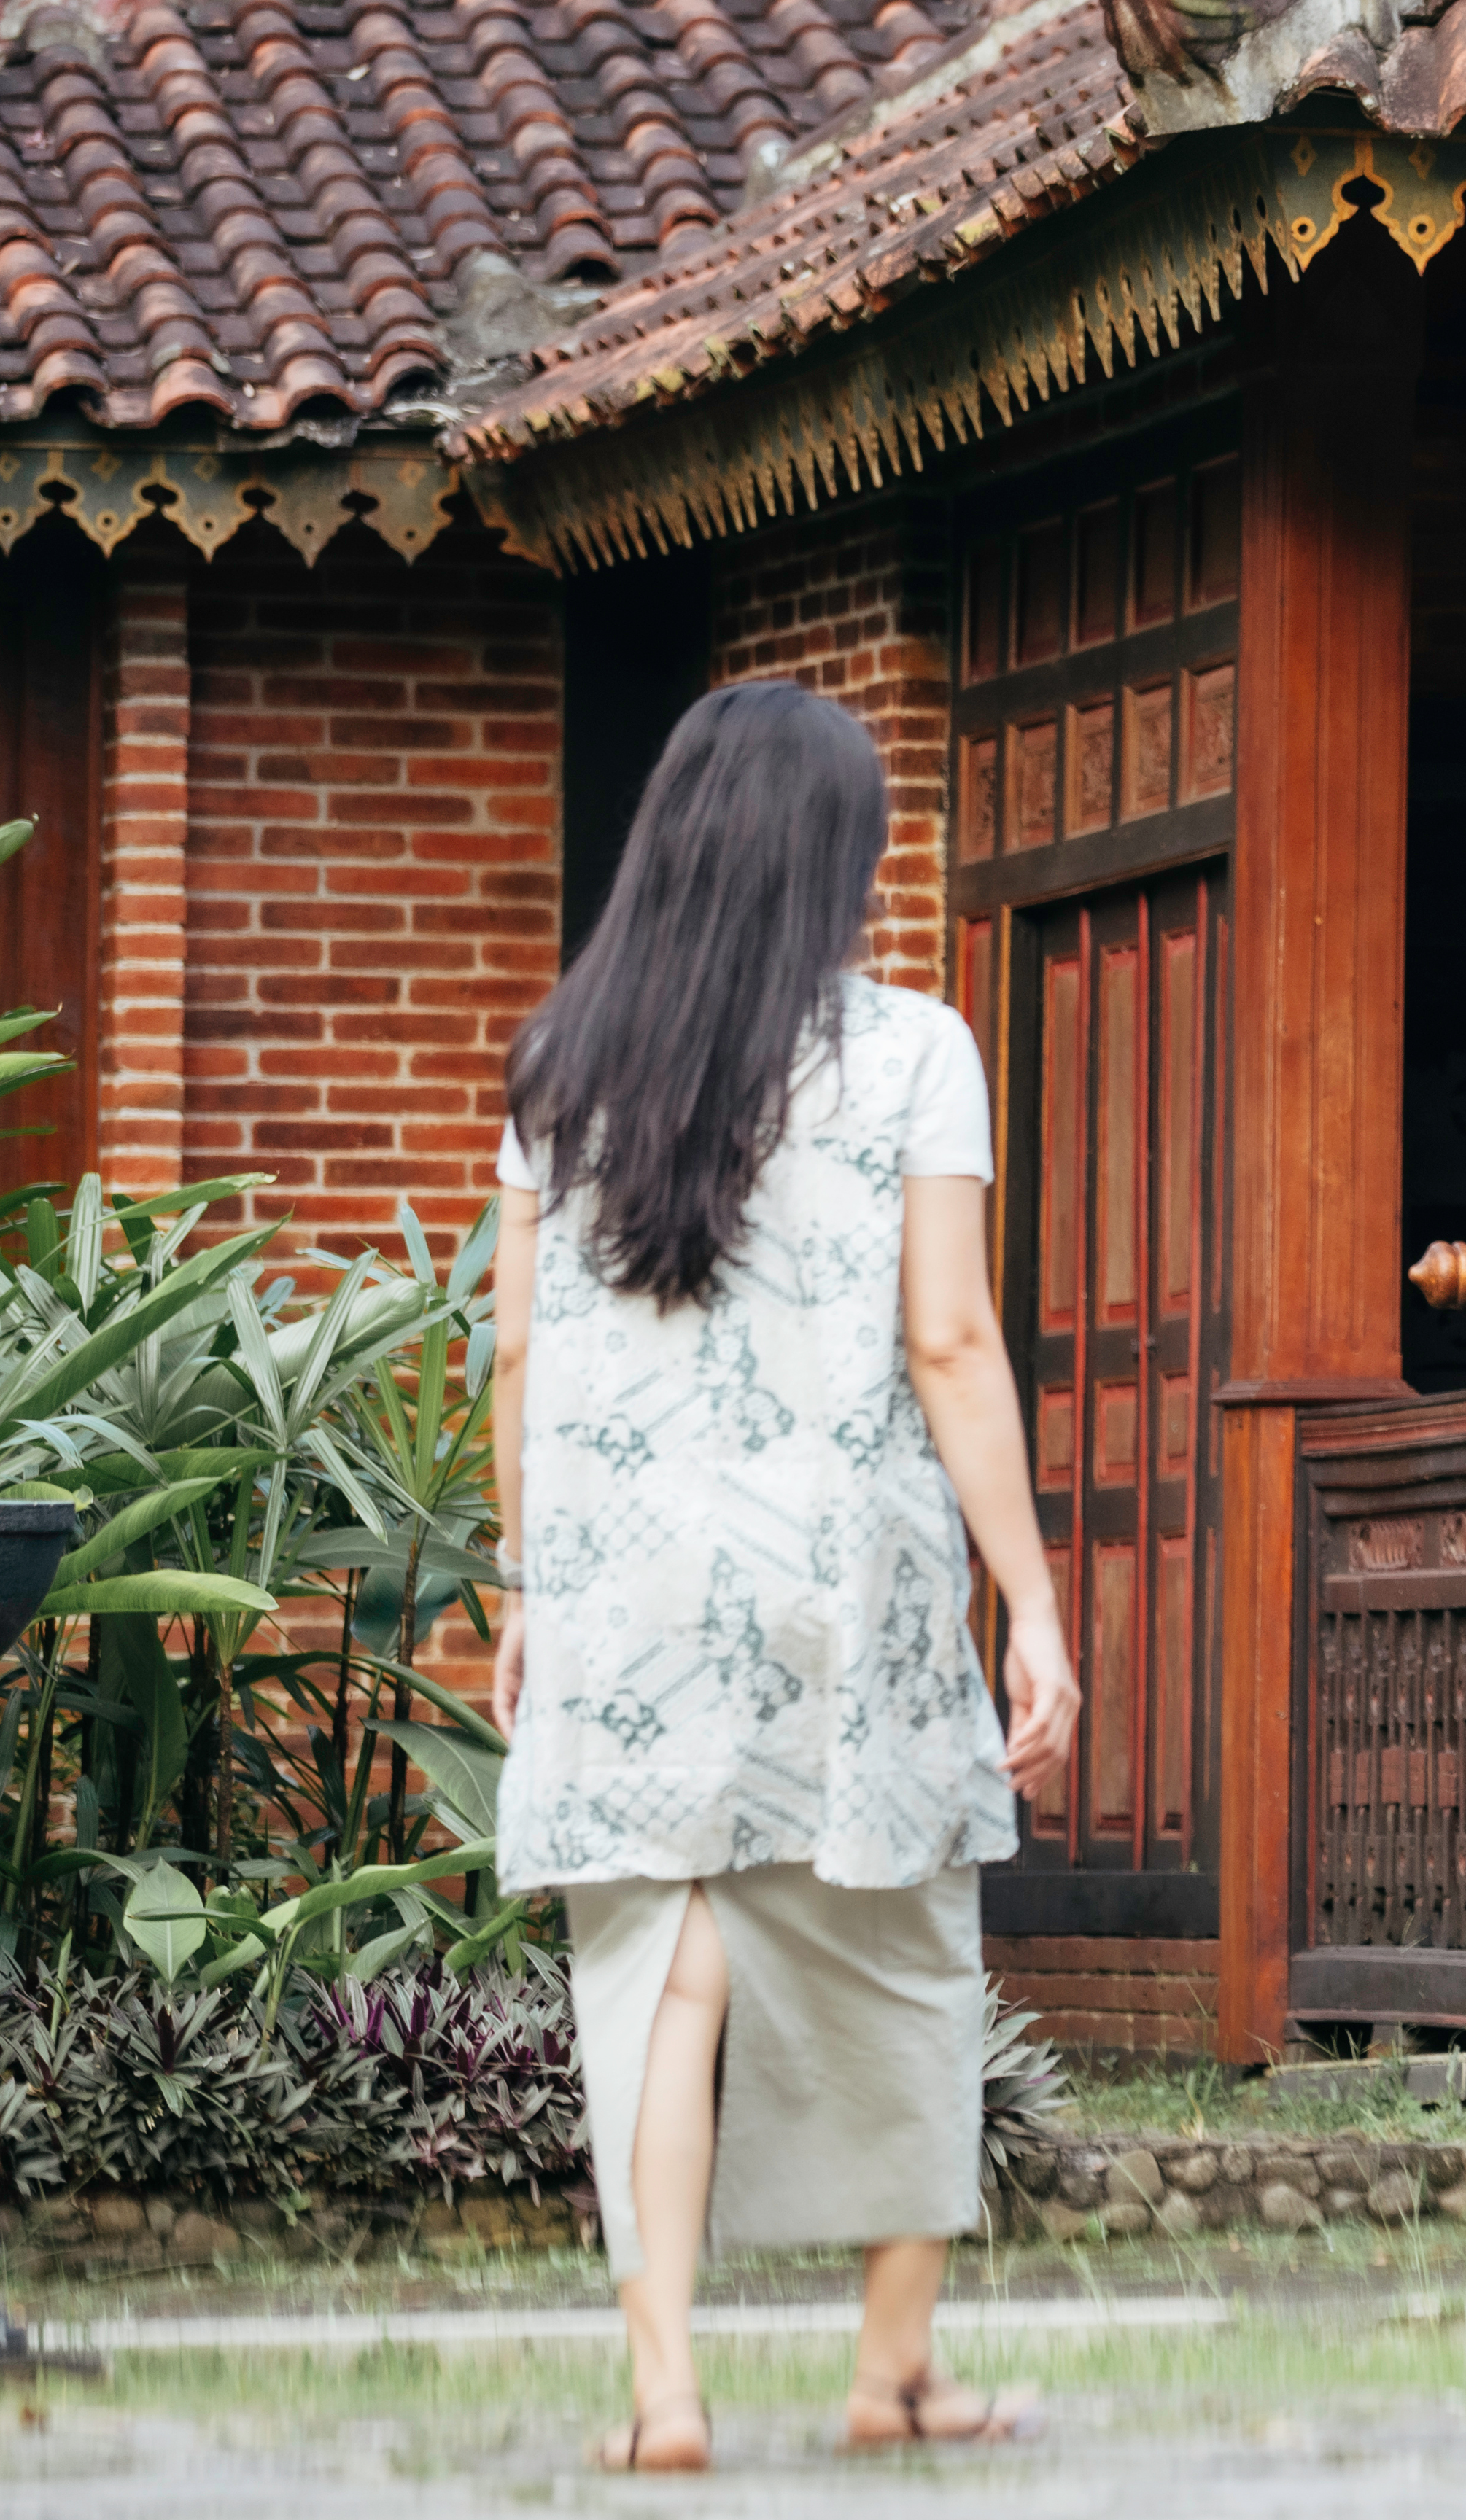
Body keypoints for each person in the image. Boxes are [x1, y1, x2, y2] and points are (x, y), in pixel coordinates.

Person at [480, 680, 1080, 2468]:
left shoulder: (558, 1068)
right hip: (841, 1575)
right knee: (904, 1949)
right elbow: (954, 1341)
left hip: (620, 1585)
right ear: (837, 858)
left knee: (658, 1977)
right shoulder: (911, 1050)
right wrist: (1030, 1593)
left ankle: (664, 2386)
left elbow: (515, 1354)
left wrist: (523, 1583)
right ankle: (890, 2368)